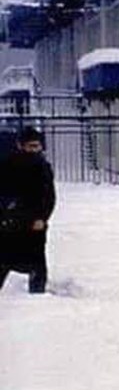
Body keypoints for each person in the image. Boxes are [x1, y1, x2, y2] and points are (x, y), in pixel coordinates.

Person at [0, 126, 56, 294]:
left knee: (37, 264)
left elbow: (49, 196)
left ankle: (36, 298)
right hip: (9, 222)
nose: (34, 149)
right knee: (3, 261)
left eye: (37, 146)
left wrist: (42, 217)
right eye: (30, 146)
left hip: (34, 223)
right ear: (21, 146)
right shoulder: (7, 165)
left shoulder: (43, 167)